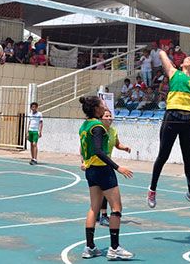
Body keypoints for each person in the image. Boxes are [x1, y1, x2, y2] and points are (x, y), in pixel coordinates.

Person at [147, 45, 190, 211]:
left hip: (188, 120)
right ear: (182, 64)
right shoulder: (173, 73)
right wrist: (164, 50)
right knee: (163, 155)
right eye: (188, 58)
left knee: (188, 161)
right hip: (172, 118)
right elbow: (163, 56)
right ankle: (152, 190)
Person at [79, 95, 134, 260]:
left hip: (91, 171)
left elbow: (86, 149)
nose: (105, 106)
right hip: (103, 170)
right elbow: (97, 150)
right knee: (116, 208)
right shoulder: (97, 127)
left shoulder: (84, 125)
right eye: (102, 104)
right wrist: (118, 167)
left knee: (93, 208)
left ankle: (89, 247)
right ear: (97, 109)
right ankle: (114, 248)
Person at [98, 108, 132, 227]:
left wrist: (124, 148)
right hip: (96, 164)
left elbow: (117, 144)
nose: (109, 118)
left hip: (107, 163)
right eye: (106, 116)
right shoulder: (98, 130)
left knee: (103, 190)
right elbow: (85, 147)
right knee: (104, 190)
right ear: (101, 118)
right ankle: (103, 215)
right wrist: (83, 161)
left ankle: (100, 213)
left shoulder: (113, 131)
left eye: (110, 116)